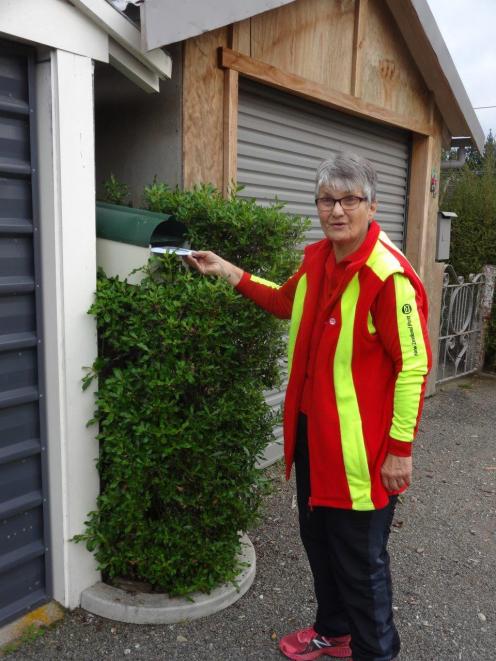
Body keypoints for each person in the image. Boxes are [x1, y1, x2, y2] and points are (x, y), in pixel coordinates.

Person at [184, 152, 431, 661]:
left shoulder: (389, 278)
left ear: (371, 205)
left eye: (349, 199)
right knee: (319, 541)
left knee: (362, 564)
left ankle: (374, 652)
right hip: (313, 437)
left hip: (360, 453)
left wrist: (399, 450)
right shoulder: (318, 259)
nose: (336, 210)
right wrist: (226, 270)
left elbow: (413, 366)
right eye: (326, 199)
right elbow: (282, 302)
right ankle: (334, 631)